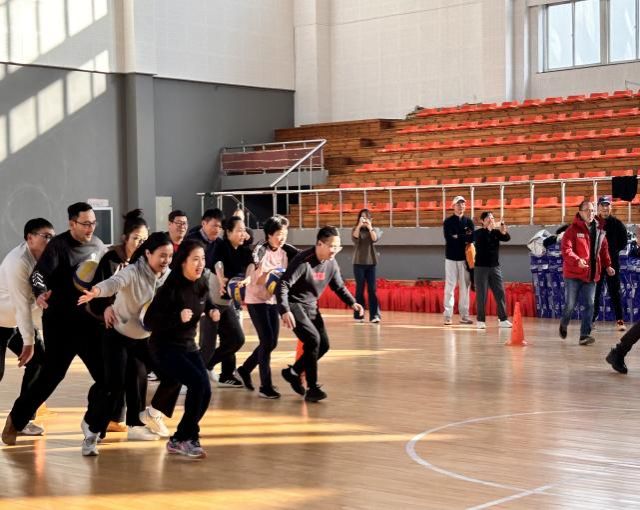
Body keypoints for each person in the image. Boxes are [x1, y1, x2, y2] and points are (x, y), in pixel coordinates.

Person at [2, 202, 107, 454]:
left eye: (93, 223)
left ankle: (92, 424)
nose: (90, 228)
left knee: (107, 377)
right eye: (85, 223)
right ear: (72, 224)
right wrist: (39, 292)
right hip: (60, 323)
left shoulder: (98, 245)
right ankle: (16, 419)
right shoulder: (58, 246)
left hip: (88, 322)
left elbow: (107, 275)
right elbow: (38, 275)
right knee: (51, 376)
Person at [78, 233, 173, 446]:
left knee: (169, 374)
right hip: (117, 335)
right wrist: (96, 291)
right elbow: (114, 283)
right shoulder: (133, 271)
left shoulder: (168, 276)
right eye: (162, 255)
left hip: (144, 338)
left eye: (169, 256)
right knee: (114, 386)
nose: (166, 260)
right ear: (148, 253)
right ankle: (91, 423)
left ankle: (144, 419)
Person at [144, 239, 219, 459]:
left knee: (205, 390)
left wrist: (212, 310)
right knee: (197, 384)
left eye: (202, 259)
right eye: (195, 259)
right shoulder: (170, 288)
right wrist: (177, 317)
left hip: (187, 345)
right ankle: (188, 438)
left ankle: (180, 438)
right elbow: (149, 321)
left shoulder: (201, 282)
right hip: (164, 347)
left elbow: (206, 300)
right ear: (183, 262)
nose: (200, 264)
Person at [278, 226, 364, 402]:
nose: (334, 250)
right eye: (331, 246)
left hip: (311, 306)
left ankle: (293, 372)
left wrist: (352, 302)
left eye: (337, 247)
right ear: (319, 244)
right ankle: (312, 387)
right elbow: (283, 284)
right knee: (313, 340)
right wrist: (284, 310)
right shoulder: (303, 261)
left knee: (323, 345)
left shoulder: (331, 263)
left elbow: (338, 286)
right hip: (294, 304)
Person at [87, 208, 149, 433]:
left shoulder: (147, 262)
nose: (141, 243)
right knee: (114, 380)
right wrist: (105, 307)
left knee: (139, 373)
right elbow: (97, 294)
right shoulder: (111, 260)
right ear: (125, 238)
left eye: (144, 239)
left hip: (137, 328)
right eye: (136, 238)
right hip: (111, 328)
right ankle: (97, 420)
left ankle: (135, 421)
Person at [0, 218, 55, 436]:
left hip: (15, 320)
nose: (50, 241)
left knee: (40, 361)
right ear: (29, 238)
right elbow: (21, 306)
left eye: (52, 237)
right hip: (3, 320)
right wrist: (29, 341)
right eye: (45, 236)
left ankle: (21, 419)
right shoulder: (17, 262)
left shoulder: (47, 258)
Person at [236, 215, 298, 398]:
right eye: (278, 234)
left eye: (285, 233)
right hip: (256, 300)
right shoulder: (260, 250)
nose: (282, 237)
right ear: (269, 235)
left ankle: (244, 370)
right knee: (266, 341)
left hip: (271, 300)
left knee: (272, 342)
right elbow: (255, 274)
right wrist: (269, 275)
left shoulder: (286, 251)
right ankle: (265, 386)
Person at [559, 200, 615, 346]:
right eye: (587, 210)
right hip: (573, 274)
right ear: (580, 212)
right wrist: (577, 260)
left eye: (592, 210)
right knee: (570, 305)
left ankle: (584, 335)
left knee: (590, 304)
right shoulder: (571, 230)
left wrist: (608, 266)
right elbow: (566, 250)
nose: (591, 213)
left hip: (591, 274)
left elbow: (603, 250)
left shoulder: (599, 229)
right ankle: (564, 323)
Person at [207, 216, 251, 387]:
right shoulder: (220, 245)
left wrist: (248, 278)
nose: (243, 233)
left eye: (244, 230)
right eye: (239, 230)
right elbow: (218, 263)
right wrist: (220, 279)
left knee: (236, 339)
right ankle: (194, 376)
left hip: (227, 302)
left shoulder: (243, 249)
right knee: (207, 343)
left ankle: (216, 370)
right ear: (228, 232)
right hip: (211, 301)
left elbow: (251, 264)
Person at [185, 208, 224, 377]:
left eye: (220, 227)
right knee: (190, 338)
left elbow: (219, 263)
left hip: (208, 292)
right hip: (192, 293)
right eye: (214, 225)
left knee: (225, 338)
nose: (217, 229)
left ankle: (204, 369)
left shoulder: (219, 243)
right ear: (204, 223)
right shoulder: (192, 241)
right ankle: (189, 375)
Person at [592, 196, 628, 331]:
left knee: (615, 292)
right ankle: (591, 320)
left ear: (610, 207)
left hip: (612, 264)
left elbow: (623, 242)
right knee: (595, 292)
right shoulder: (592, 223)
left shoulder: (618, 224)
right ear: (598, 207)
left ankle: (619, 321)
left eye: (607, 205)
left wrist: (612, 252)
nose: (605, 208)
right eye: (602, 205)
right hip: (596, 264)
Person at [473, 212, 512, 329]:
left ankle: (503, 319)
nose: (491, 220)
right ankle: (480, 320)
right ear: (482, 221)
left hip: (495, 267)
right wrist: (488, 229)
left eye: (492, 218)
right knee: (482, 295)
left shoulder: (496, 232)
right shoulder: (478, 233)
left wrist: (503, 230)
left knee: (500, 293)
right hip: (481, 268)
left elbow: (507, 238)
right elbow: (480, 240)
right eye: (488, 218)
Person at [442, 196, 474, 325]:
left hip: (464, 259)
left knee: (465, 288)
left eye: (463, 204)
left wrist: (458, 237)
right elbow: (449, 239)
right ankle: (447, 316)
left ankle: (464, 316)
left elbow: (471, 238)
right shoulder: (448, 222)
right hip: (451, 258)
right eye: (458, 204)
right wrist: (463, 237)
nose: (461, 206)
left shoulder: (469, 222)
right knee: (450, 287)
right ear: (453, 206)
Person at [351, 209, 382, 323]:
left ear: (370, 218)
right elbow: (355, 238)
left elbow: (375, 239)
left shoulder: (375, 229)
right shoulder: (355, 229)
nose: (364, 219)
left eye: (366, 217)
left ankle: (374, 315)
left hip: (371, 263)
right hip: (358, 263)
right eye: (362, 217)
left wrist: (369, 227)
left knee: (372, 290)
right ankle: (359, 315)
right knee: (359, 289)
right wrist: (359, 225)